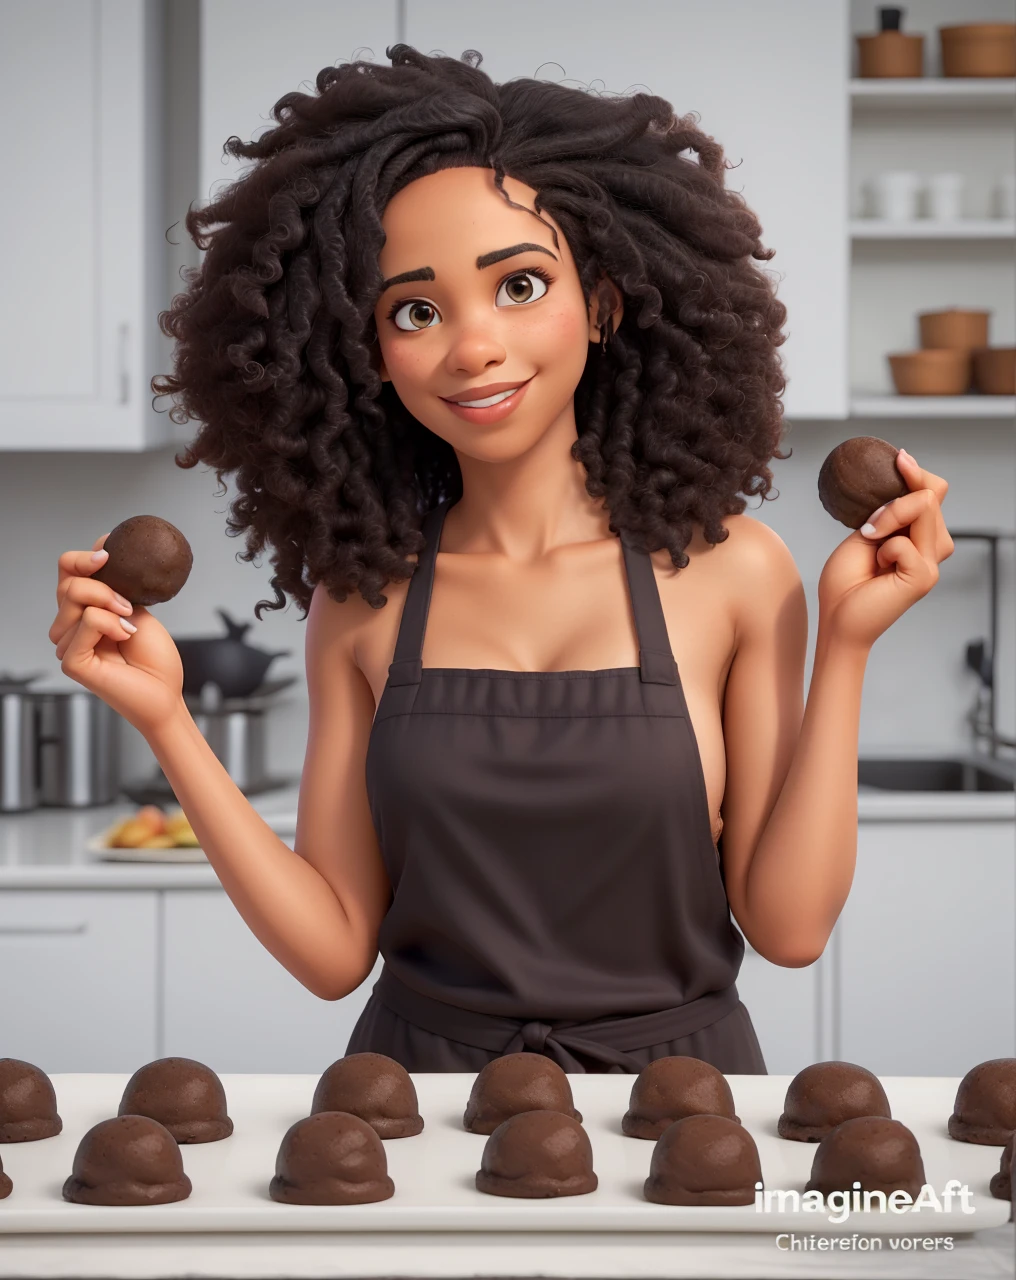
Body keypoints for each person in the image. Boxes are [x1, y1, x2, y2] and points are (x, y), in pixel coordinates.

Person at [48, 46, 953, 1074]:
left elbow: (788, 928)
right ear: (365, 351)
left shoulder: (735, 571)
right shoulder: (364, 597)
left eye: (518, 284)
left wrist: (844, 644)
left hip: (681, 1116)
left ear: (603, 302)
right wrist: (167, 719)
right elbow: (334, 950)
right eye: (414, 310)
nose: (471, 346)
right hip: (416, 1112)